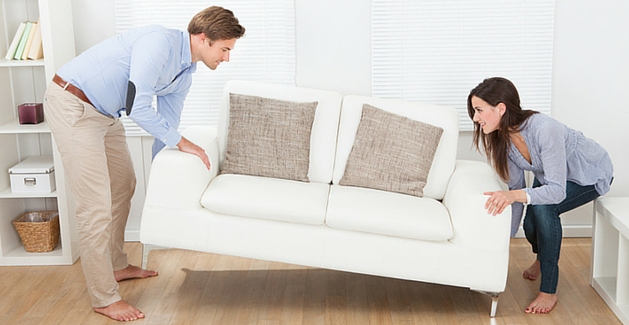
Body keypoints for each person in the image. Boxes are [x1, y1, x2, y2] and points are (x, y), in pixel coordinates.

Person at [43, 6, 245, 321]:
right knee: (94, 206)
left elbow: (165, 129)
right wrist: (182, 141)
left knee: (125, 185)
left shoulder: (184, 74)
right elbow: (139, 107)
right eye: (225, 49)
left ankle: (117, 265)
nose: (227, 57)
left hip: (107, 115)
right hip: (73, 105)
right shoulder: (158, 43)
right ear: (204, 39)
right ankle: (104, 297)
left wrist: (163, 178)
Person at [467, 77, 613, 314]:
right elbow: (515, 193)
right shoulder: (502, 140)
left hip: (588, 173)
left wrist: (515, 196)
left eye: (479, 110)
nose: (475, 118)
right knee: (530, 224)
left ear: (501, 108)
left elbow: (555, 191)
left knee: (544, 209)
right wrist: (503, 245)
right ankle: (541, 257)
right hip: (552, 174)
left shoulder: (545, 129)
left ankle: (549, 290)